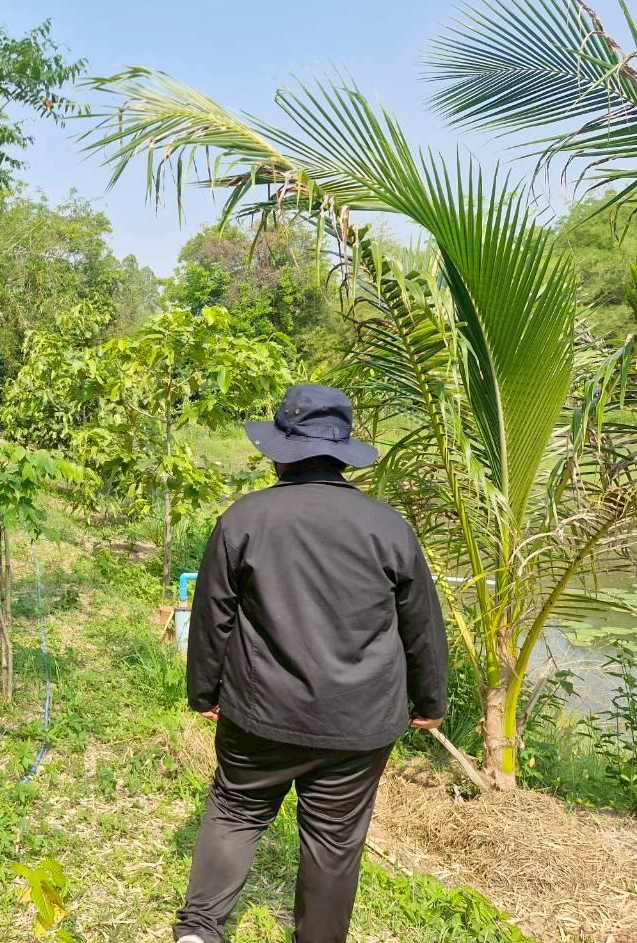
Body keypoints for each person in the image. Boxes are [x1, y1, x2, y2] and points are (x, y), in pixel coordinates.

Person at [173, 384, 447, 943]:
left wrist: (204, 693)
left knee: (236, 810)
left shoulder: (245, 519)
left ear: (280, 451)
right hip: (359, 722)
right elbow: (421, 624)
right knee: (334, 839)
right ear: (343, 453)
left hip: (259, 714)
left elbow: (211, 618)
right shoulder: (388, 527)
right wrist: (430, 701)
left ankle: (199, 931)